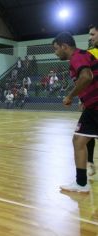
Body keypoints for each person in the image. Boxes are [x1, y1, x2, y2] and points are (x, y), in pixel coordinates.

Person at [53, 32, 98, 192]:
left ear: (65, 47)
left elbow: (87, 76)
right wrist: (85, 101)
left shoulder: (77, 57)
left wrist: (70, 96)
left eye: (56, 49)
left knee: (78, 141)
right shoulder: (81, 56)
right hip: (92, 107)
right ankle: (81, 183)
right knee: (78, 140)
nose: (55, 52)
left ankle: (81, 183)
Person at [85, 23, 98, 178]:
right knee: (86, 133)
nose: (90, 37)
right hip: (94, 101)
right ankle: (90, 163)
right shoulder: (90, 53)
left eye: (92, 34)